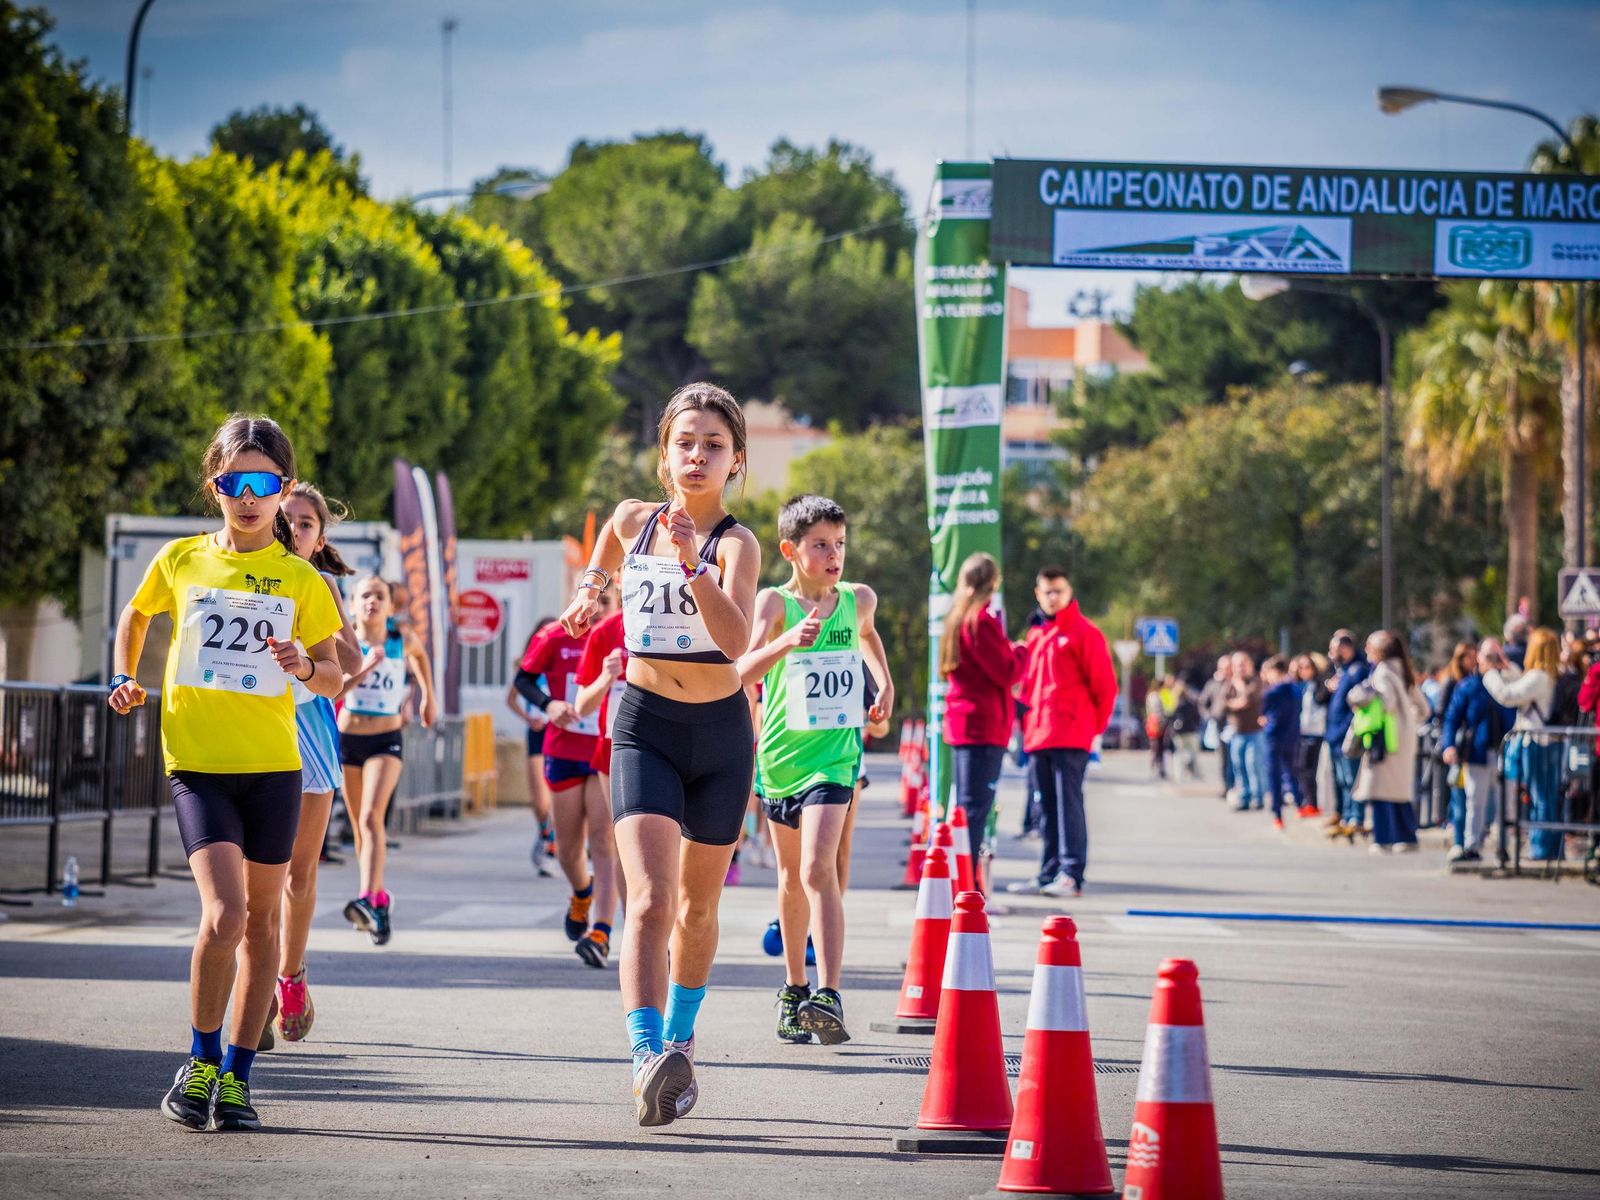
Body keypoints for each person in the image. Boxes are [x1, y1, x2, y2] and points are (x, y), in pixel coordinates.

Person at [109, 414, 344, 1132]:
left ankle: (239, 1077)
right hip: (199, 767)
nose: (249, 498)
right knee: (225, 916)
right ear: (215, 485)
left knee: (264, 921)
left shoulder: (300, 578)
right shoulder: (181, 559)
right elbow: (135, 616)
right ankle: (200, 1059)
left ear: (283, 491)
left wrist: (303, 665)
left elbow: (334, 674)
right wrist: (122, 675)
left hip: (273, 769)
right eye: (235, 482)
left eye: (264, 485)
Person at [559, 381, 761, 1127]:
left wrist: (692, 563)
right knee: (649, 898)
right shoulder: (631, 518)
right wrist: (591, 589)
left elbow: (736, 641)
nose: (698, 456)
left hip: (720, 736)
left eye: (714, 445)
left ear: (735, 460)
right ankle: (646, 1055)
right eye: (685, 443)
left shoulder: (735, 544)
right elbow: (607, 546)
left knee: (698, 909)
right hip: (645, 725)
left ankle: (680, 1037)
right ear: (664, 454)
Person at [740, 494, 892, 1046]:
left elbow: (869, 636)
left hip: (835, 759)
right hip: (780, 759)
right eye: (821, 545)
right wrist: (786, 641)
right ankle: (794, 989)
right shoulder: (774, 603)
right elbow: (742, 670)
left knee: (817, 870)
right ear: (790, 550)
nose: (834, 556)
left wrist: (885, 684)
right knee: (789, 881)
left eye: (840, 544)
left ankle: (829, 993)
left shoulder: (858, 599)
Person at [247, 483, 361, 1049]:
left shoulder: (322, 585)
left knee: (298, 872)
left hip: (309, 730)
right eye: (287, 518)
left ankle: (290, 975)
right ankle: (259, 985)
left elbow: (353, 660)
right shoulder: (248, 575)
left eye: (306, 523)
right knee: (253, 872)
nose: (294, 528)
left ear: (319, 539)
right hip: (250, 724)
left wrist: (312, 654)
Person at [516, 588, 617, 967]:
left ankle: (601, 931)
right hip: (563, 748)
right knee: (568, 848)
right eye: (593, 598)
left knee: (603, 839)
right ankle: (582, 891)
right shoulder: (554, 636)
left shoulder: (627, 634)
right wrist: (550, 704)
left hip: (605, 749)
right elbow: (523, 679)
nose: (598, 607)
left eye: (606, 600)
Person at [338, 576, 438, 945]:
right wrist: (364, 667)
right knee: (359, 828)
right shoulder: (344, 641)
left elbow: (421, 656)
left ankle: (366, 897)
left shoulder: (400, 638)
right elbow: (335, 689)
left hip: (386, 739)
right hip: (348, 739)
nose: (372, 602)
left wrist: (428, 697)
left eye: (380, 596)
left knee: (371, 817)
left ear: (391, 606)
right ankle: (378, 899)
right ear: (352, 605)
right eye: (365, 595)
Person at [1015, 568, 1116, 897]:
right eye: (1047, 591)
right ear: (1038, 593)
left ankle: (1071, 873)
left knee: (1068, 805)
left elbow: (1105, 687)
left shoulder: (1084, 633)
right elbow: (1028, 686)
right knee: (1044, 807)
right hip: (1038, 735)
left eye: (1059, 591)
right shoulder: (1036, 634)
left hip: (1071, 735)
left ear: (1069, 592)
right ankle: (1048, 872)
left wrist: (1093, 729)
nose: (1053, 597)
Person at [938, 551, 1026, 897]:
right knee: (976, 809)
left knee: (966, 807)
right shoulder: (981, 621)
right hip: (983, 725)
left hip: (964, 723)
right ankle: (968, 886)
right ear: (994, 582)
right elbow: (1006, 671)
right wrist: (1021, 651)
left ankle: (964, 881)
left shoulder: (956, 618)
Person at [1347, 632, 1430, 852]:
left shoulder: (1383, 672)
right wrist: (1409, 721)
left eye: (1369, 645)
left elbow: (1386, 703)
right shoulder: (1403, 671)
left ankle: (1383, 839)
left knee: (1380, 790)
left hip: (1385, 739)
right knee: (1399, 791)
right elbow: (1424, 708)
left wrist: (1360, 697)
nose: (1366, 649)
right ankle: (1407, 836)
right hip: (1403, 738)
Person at [1484, 628, 1562, 861]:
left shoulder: (1538, 676)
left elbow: (1509, 695)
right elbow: (1521, 683)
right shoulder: (1551, 674)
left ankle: (1541, 848)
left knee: (1539, 796)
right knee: (1548, 795)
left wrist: (1490, 674)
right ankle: (1550, 847)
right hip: (1551, 741)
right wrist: (1507, 668)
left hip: (1537, 741)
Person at [1441, 641, 1513, 863]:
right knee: (1475, 800)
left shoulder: (1508, 682)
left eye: (1494, 656)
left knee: (1505, 803)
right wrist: (1448, 745)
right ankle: (1471, 845)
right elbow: (1452, 717)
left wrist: (1507, 668)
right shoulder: (1469, 686)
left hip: (1504, 750)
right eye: (1486, 657)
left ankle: (1503, 846)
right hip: (1477, 751)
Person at [505, 618, 557, 875]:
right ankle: (545, 833)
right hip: (536, 733)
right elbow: (511, 699)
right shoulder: (527, 665)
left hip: (557, 731)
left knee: (558, 795)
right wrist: (527, 718)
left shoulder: (562, 660)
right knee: (540, 801)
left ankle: (550, 847)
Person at [1324, 629, 1372, 840]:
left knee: (1352, 779)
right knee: (1342, 779)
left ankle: (1355, 818)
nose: (1331, 653)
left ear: (1345, 648)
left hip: (1347, 734)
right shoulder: (1342, 671)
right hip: (1335, 734)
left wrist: (1344, 728)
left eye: (1334, 649)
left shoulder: (1358, 670)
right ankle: (1345, 816)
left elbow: (1356, 704)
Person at [1257, 655, 1302, 829]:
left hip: (1274, 737)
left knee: (1274, 775)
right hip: (1292, 737)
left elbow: (1265, 715)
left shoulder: (1272, 692)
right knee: (1292, 772)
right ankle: (1299, 804)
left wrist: (1266, 723)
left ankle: (1277, 813)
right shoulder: (1295, 689)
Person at [1224, 653, 1264, 812]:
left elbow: (1247, 699)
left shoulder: (1255, 682)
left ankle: (1257, 797)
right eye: (1236, 665)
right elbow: (1223, 704)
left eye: (1242, 664)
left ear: (1249, 665)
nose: (1239, 668)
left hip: (1254, 732)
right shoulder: (1229, 684)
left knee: (1252, 765)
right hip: (1236, 732)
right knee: (1239, 766)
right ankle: (1244, 797)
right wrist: (1236, 703)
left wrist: (1239, 685)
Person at [1292, 654, 1327, 816]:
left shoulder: (1319, 684)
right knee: (1300, 767)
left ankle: (1312, 803)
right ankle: (1307, 801)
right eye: (1301, 668)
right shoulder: (1301, 686)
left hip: (1315, 731)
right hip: (1302, 731)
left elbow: (1321, 702)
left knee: (1308, 768)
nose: (1303, 671)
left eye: (1307, 667)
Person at [1197, 655, 1234, 795]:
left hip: (1236, 724)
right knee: (1224, 757)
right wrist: (1209, 717)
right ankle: (1227, 785)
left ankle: (1237, 786)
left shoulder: (1236, 682)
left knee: (1236, 757)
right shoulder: (1213, 684)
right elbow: (1203, 702)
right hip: (1220, 724)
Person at [1167, 675, 1203, 780]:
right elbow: (1197, 717)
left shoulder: (1175, 705)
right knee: (1193, 753)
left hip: (1179, 733)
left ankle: (1179, 774)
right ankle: (1194, 773)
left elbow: (1170, 717)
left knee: (1179, 753)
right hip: (1191, 731)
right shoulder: (1190, 704)